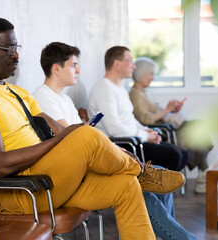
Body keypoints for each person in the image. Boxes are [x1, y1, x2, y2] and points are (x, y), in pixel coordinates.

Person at [0, 16, 186, 240]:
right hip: (21, 192)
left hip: (49, 179)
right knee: (84, 132)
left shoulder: (18, 92)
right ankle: (141, 172)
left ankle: (135, 173)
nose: (15, 55)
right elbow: (0, 164)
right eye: (7, 49)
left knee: (126, 185)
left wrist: (109, 149)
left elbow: (61, 133)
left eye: (17, 47)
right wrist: (69, 138)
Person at [34, 41, 198, 240]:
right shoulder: (43, 97)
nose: (77, 70)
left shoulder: (65, 99)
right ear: (56, 69)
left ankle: (142, 177)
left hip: (87, 162)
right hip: (73, 173)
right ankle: (140, 173)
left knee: (159, 178)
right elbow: (70, 137)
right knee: (145, 187)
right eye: (72, 65)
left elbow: (84, 133)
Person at [87, 46, 189, 172]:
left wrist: (147, 131)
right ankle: (151, 189)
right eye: (130, 61)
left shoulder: (120, 88)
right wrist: (145, 136)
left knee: (182, 153)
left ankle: (156, 189)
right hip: (122, 144)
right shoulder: (104, 89)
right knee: (175, 155)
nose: (134, 66)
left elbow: (130, 119)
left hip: (133, 139)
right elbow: (113, 128)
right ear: (117, 64)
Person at [130, 57, 214, 193]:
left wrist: (172, 109)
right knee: (197, 129)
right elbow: (145, 119)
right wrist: (167, 110)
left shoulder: (145, 93)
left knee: (199, 126)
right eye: (150, 74)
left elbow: (159, 113)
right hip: (159, 131)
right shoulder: (135, 94)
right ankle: (203, 174)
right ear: (141, 74)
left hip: (165, 127)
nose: (152, 78)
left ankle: (203, 174)